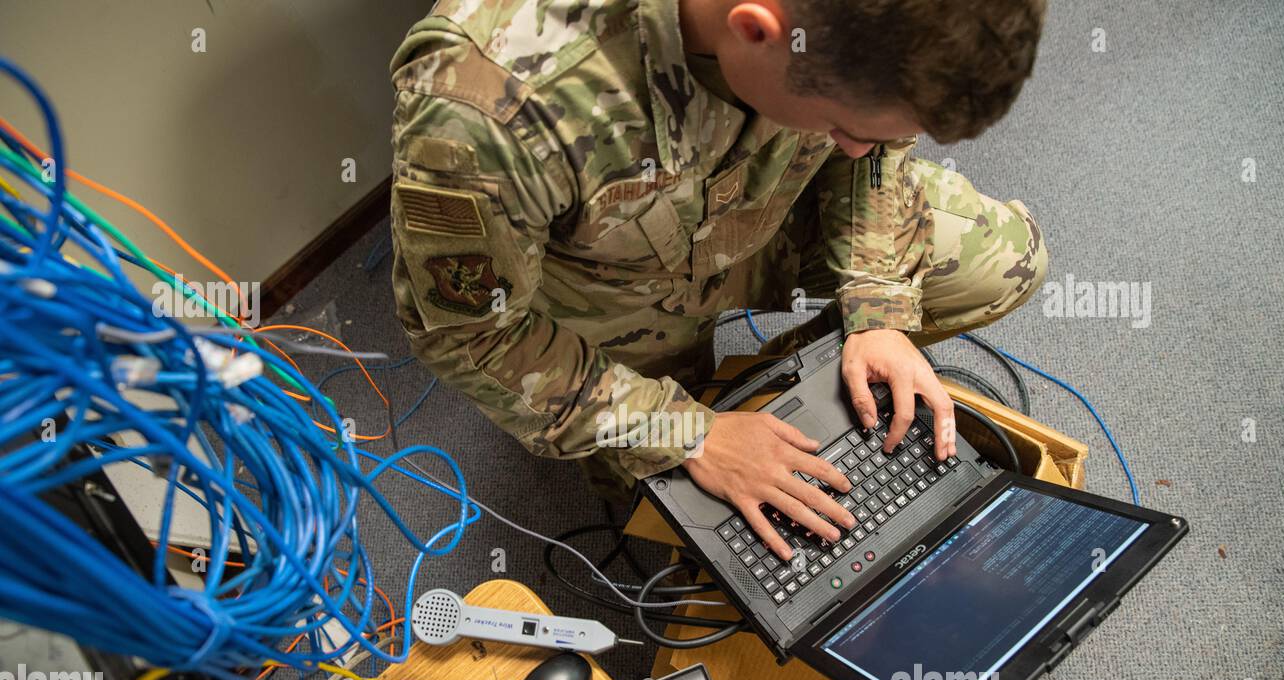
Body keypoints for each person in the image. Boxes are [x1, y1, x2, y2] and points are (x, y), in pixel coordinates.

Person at [389, 0, 1048, 561]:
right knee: (689, 524)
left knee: (1003, 258)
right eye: (840, 129)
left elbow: (876, 153)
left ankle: (775, 386)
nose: (853, 146)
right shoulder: (482, 106)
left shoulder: (834, 48)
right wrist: (688, 433)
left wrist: (876, 308)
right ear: (759, 29)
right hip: (608, 296)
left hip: (766, 219)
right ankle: (699, 421)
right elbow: (474, 341)